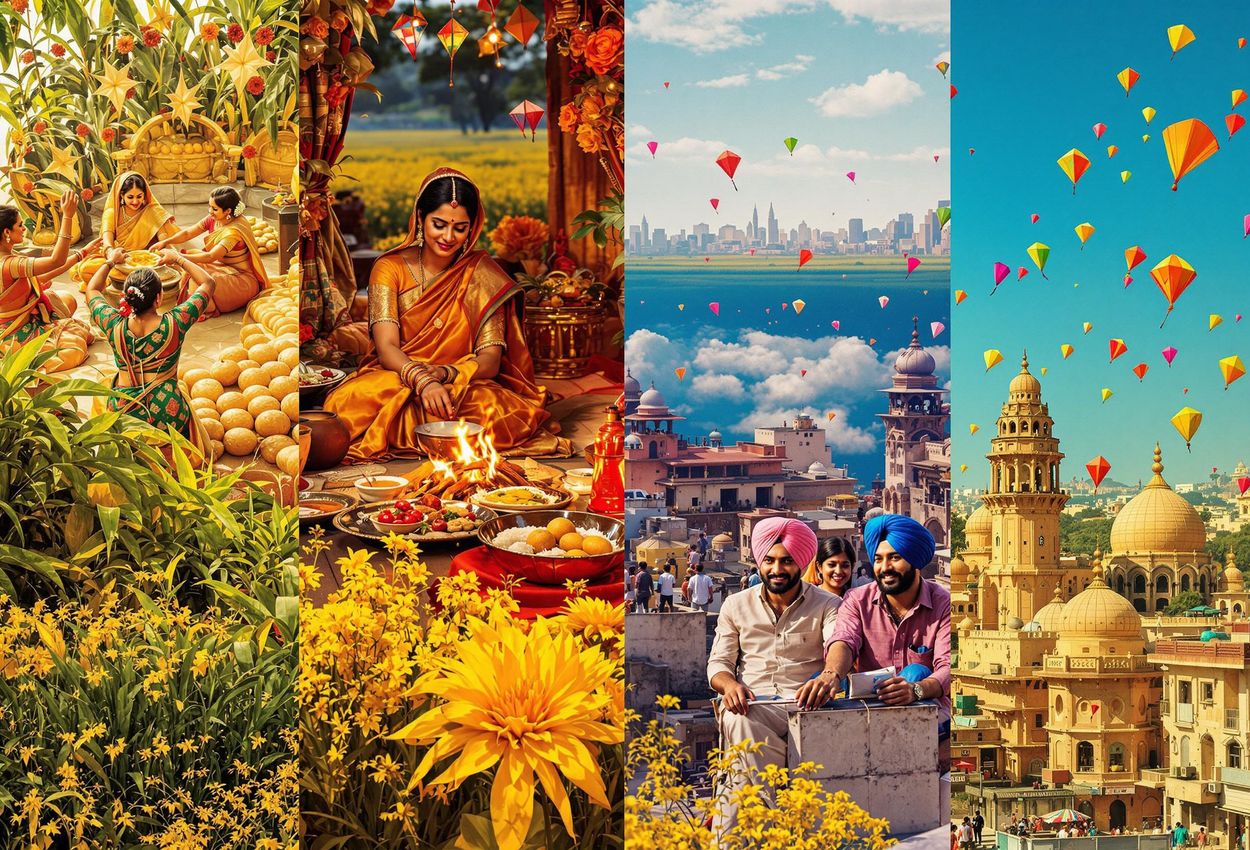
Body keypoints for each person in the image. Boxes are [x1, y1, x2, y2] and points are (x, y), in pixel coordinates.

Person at [325, 169, 572, 461]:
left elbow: (490, 361)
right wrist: (423, 380)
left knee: (505, 412)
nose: (448, 237)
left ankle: (418, 427)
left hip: (462, 384)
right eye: (438, 224)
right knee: (346, 402)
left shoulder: (483, 275)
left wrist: (444, 374)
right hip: (398, 375)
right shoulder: (389, 268)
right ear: (420, 218)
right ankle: (434, 428)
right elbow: (386, 346)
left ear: (472, 227)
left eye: (459, 228)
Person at [707, 517, 841, 830]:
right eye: (769, 560)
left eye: (786, 561)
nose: (777, 570)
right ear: (759, 561)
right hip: (754, 705)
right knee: (738, 718)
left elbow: (839, 643)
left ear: (802, 562)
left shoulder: (828, 605)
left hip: (806, 705)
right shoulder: (735, 605)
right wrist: (729, 686)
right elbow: (718, 664)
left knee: (733, 798)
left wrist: (829, 675)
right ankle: (775, 817)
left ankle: (758, 817)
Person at [823, 514, 951, 720]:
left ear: (914, 561)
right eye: (878, 559)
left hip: (925, 708)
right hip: (870, 706)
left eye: (895, 558)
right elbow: (844, 640)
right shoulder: (857, 599)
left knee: (916, 672)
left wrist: (916, 690)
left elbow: (948, 666)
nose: (885, 568)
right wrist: (830, 674)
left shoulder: (944, 604)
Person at [86, 247, 216, 442]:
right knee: (182, 394)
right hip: (168, 415)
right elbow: (208, 282)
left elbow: (92, 289)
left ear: (126, 297)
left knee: (104, 386)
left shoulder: (112, 323)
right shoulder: (175, 323)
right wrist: (178, 259)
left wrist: (110, 261)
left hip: (123, 414)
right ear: (158, 298)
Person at [0, 194, 96, 372]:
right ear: (7, 232)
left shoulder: (9, 258)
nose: (23, 229)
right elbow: (56, 261)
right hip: (15, 332)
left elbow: (43, 276)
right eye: (20, 226)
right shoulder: (9, 265)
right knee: (76, 346)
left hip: (28, 317)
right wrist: (67, 216)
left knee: (68, 300)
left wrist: (81, 254)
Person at [152, 186, 270, 315]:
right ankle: (197, 299)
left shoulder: (233, 232)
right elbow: (187, 233)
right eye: (209, 207)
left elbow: (211, 256)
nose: (210, 211)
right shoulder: (215, 219)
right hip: (222, 268)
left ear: (228, 211)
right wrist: (165, 242)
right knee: (192, 258)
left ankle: (207, 307)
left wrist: (177, 257)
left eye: (214, 209)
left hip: (241, 280)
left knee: (194, 268)